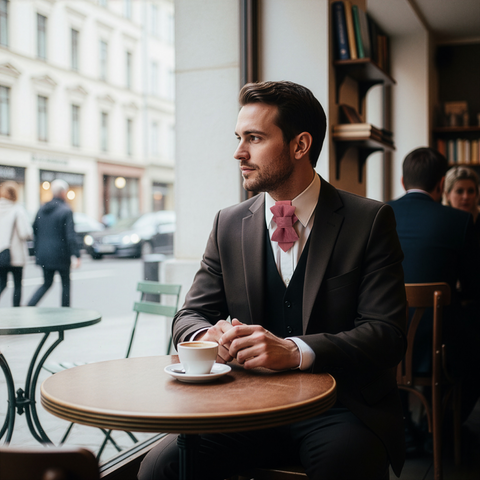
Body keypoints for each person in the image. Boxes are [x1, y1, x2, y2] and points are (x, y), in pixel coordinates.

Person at [139, 81, 407, 480]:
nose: (238, 152)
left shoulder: (369, 221)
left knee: (347, 465)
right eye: (238, 137)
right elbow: (189, 317)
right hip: (243, 405)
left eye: (254, 138)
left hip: (339, 408)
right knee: (159, 469)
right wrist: (207, 336)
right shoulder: (228, 223)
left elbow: (386, 335)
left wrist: (295, 351)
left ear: (300, 146)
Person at [388, 148, 480, 446]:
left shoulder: (377, 214)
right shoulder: (459, 222)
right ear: (441, 184)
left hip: (386, 342)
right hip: (440, 345)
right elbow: (474, 287)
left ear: (403, 181)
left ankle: (403, 431)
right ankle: (442, 428)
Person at [27, 179, 81, 307]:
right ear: (63, 193)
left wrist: (37, 251)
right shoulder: (66, 210)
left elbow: (34, 230)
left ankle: (29, 306)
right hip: (61, 254)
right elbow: (70, 235)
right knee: (65, 285)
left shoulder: (41, 209)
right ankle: (65, 314)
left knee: (46, 283)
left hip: (44, 254)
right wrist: (76, 255)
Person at [0, 181, 33, 306]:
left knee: (2, 282)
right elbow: (25, 233)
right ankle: (16, 312)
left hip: (1, 254)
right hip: (16, 254)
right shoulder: (17, 210)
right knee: (17, 285)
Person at [443, 165, 480, 241]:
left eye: (471, 191)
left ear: (477, 194)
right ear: (447, 195)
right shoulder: (440, 224)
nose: (466, 197)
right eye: (459, 191)